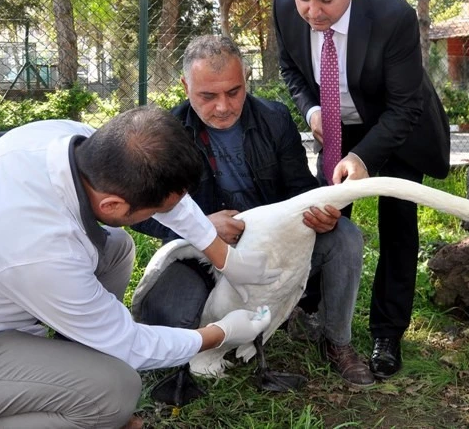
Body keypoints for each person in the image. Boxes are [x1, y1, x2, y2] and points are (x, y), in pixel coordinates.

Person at [0, 106, 276, 429]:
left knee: (114, 246)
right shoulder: (36, 243)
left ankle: (69, 369)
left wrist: (223, 255)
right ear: (113, 205)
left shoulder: (71, 139)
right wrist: (219, 333)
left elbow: (170, 198)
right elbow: (129, 345)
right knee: (117, 390)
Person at [133, 35, 372, 386]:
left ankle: (337, 342)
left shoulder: (275, 119)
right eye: (207, 96)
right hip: (203, 254)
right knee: (170, 320)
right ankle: (234, 328)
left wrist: (317, 211)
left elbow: (298, 190)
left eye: (234, 91)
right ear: (185, 86)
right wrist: (201, 227)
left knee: (345, 236)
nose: (223, 107)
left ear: (247, 77)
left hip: (270, 247)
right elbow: (138, 212)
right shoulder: (165, 135)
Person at [273, 0, 451, 380]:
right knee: (323, 219)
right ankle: (313, 314)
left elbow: (406, 103)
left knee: (398, 227)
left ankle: (387, 334)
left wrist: (365, 158)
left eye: (327, 0)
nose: (313, 11)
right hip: (333, 125)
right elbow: (291, 68)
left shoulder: (392, 13)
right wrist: (311, 108)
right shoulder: (283, 5)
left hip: (398, 129)